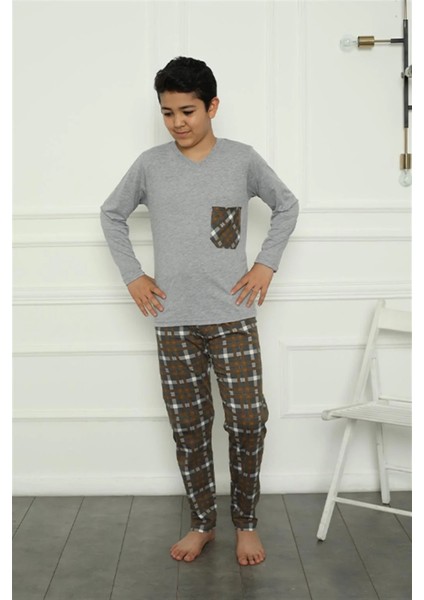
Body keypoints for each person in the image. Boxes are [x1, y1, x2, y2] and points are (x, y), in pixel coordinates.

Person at [100, 56, 299, 566]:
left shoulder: (241, 160)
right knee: (189, 427)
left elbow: (287, 205)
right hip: (173, 321)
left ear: (212, 107)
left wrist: (265, 264)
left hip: (232, 316)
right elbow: (111, 214)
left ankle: (246, 523)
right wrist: (133, 274)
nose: (177, 123)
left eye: (187, 111)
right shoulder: (150, 165)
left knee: (248, 421)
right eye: (167, 113)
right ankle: (203, 523)